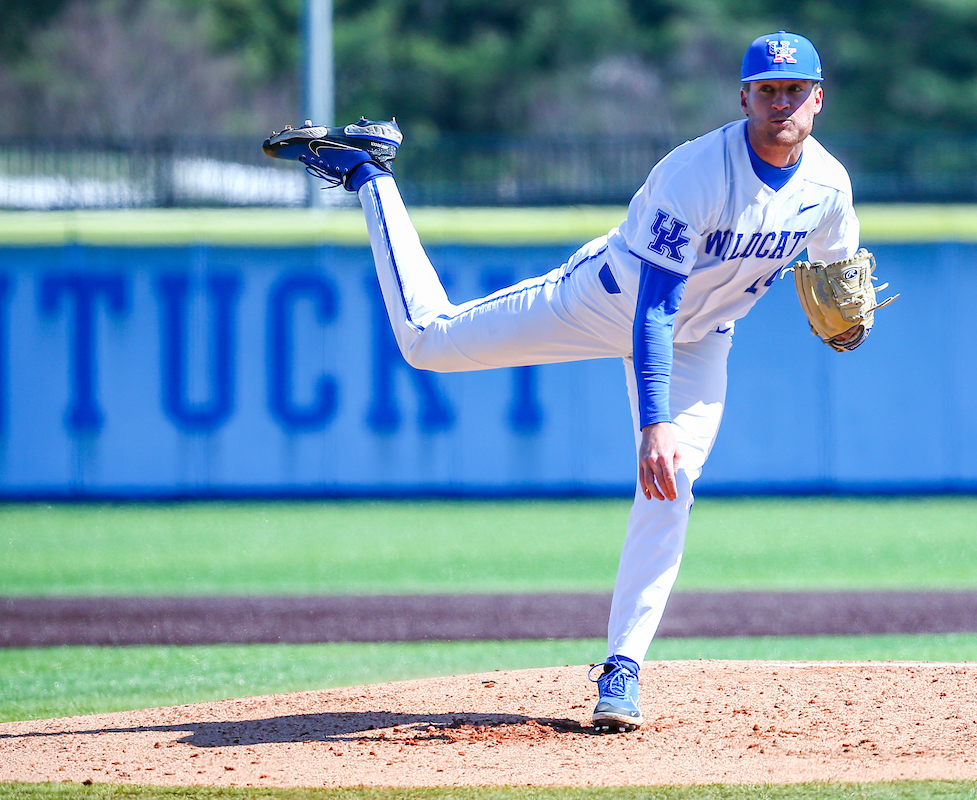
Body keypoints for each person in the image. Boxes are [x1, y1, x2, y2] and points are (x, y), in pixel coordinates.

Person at [264, 31, 863, 733]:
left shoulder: (829, 185)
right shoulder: (697, 172)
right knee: (427, 340)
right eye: (768, 89)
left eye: (795, 90)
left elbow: (838, 269)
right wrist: (653, 420)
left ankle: (623, 669)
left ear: (818, 99)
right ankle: (369, 174)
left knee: (670, 488)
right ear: (744, 97)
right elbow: (655, 308)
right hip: (606, 299)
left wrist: (848, 322)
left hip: (703, 340)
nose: (781, 103)